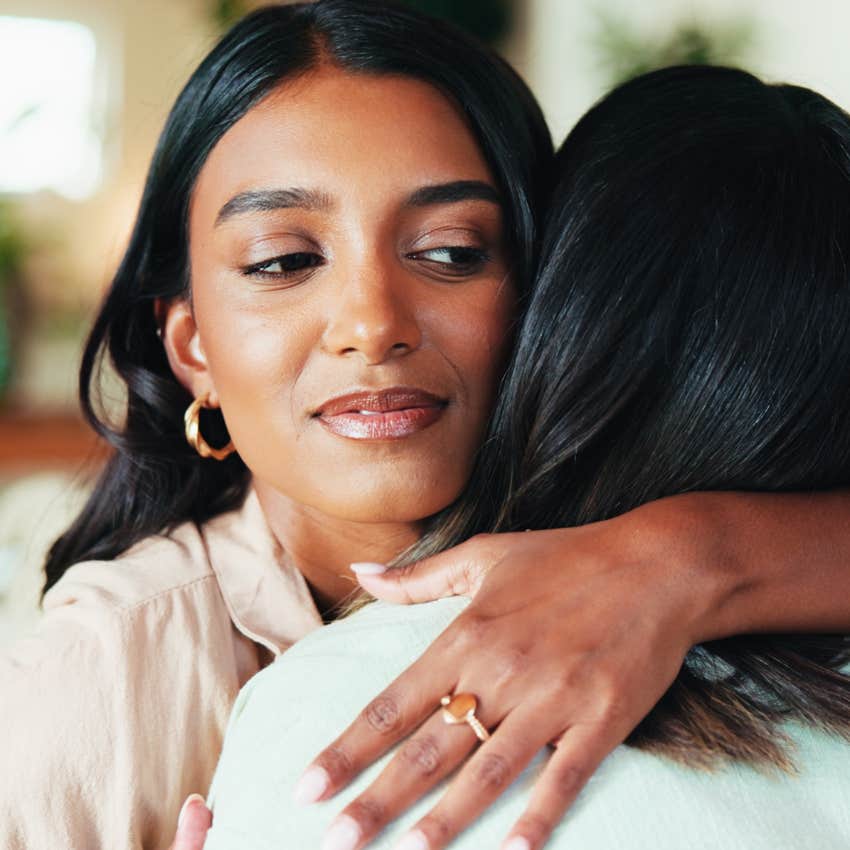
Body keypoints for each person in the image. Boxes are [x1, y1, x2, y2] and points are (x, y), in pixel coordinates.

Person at [0, 3, 848, 849]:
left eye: (450, 251)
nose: (373, 323)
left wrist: (684, 559)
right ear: (192, 348)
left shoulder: (625, 536)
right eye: (285, 262)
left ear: (549, 293)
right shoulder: (106, 671)